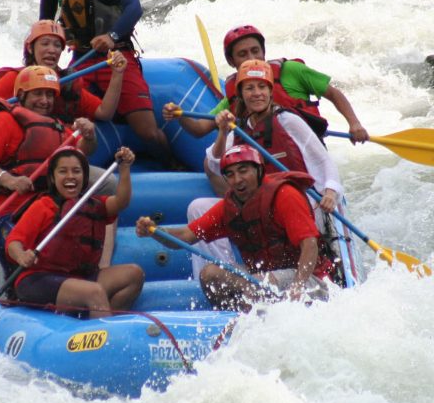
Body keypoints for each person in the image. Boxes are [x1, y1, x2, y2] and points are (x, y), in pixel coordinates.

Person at [184, 59, 347, 278]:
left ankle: (308, 273)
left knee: (290, 208)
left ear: (271, 92)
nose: (257, 93)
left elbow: (324, 161)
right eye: (249, 88)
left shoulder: (289, 121)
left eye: (262, 87)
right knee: (198, 207)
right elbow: (214, 164)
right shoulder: (239, 130)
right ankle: (229, 274)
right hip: (259, 206)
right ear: (241, 95)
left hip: (296, 203)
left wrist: (330, 191)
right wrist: (222, 132)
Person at [136, 145, 337, 311]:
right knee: (210, 274)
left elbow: (310, 245)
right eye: (230, 175)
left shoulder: (285, 196)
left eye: (243, 171)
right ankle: (234, 315)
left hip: (310, 279)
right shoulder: (229, 207)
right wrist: (155, 231)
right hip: (264, 280)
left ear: (258, 171)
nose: (237, 180)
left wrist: (298, 285)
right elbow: (185, 237)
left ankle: (252, 311)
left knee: (256, 284)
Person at [39, 0, 174, 162]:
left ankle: (173, 165)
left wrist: (112, 37)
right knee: (66, 122)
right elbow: (44, 25)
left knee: (147, 132)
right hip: (82, 60)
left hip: (118, 56)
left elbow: (134, 7)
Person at [163, 24, 369, 144]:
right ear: (232, 62)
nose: (252, 57)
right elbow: (200, 128)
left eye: (255, 51)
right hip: (266, 159)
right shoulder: (239, 93)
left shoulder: (292, 71)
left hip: (305, 148)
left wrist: (355, 123)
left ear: (264, 52)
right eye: (242, 54)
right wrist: (180, 115)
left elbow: (333, 94)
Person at [6, 146, 144, 318]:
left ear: (84, 177)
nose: (70, 176)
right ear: (53, 177)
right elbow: (13, 242)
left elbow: (121, 202)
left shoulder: (94, 205)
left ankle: (102, 321)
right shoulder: (44, 206)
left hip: (80, 278)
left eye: (76, 171)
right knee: (94, 292)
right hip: (40, 279)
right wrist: (21, 256)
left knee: (134, 274)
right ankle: (104, 337)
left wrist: (124, 169)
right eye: (63, 171)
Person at [0, 65, 97, 217]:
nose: (44, 100)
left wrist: (89, 135)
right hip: (13, 210)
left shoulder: (55, 125)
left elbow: (83, 150)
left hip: (51, 206)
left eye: (49, 95)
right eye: (38, 93)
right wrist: (9, 180)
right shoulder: (4, 120)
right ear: (22, 95)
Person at [0, 19, 126, 127]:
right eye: (45, 44)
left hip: (58, 155)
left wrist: (117, 74)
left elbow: (104, 113)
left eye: (57, 45)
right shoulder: (14, 78)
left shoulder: (67, 82)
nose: (51, 50)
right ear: (30, 48)